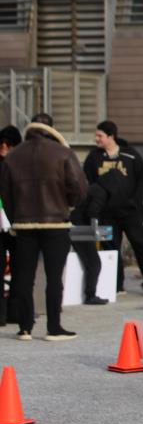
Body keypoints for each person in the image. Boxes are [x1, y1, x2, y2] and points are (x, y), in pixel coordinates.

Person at [0, 117, 87, 340]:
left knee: (24, 277)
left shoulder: (13, 156)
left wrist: (15, 217)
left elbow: (6, 194)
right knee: (54, 277)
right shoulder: (62, 153)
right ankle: (54, 327)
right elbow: (78, 187)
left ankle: (25, 327)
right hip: (55, 223)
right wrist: (67, 204)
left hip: (24, 225)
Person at [82, 120, 143, 297]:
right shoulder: (93, 158)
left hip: (131, 212)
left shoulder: (130, 155)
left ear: (111, 136)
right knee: (110, 248)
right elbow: (90, 182)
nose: (96, 139)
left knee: (140, 245)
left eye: (100, 136)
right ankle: (117, 284)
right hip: (106, 214)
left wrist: (136, 201)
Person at [69, 172, 115, 306]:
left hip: (73, 225)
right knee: (94, 262)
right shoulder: (101, 192)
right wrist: (95, 230)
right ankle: (90, 295)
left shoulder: (93, 188)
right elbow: (93, 212)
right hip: (80, 229)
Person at [0, 125, 21, 326]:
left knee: (17, 267)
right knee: (18, 267)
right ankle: (11, 312)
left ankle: (9, 312)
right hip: (15, 221)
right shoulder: (19, 165)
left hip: (14, 222)